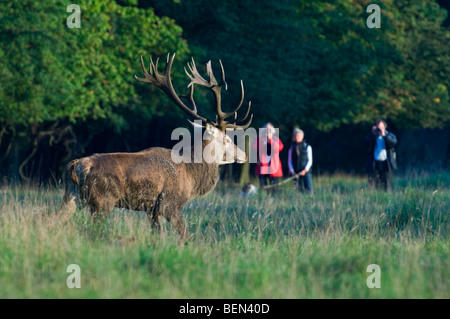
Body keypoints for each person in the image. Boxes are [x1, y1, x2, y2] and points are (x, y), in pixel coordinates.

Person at [364, 119, 397, 192]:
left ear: (384, 127)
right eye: (378, 128)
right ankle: (374, 199)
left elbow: (393, 143)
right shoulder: (372, 137)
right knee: (373, 184)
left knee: (387, 185)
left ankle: (387, 199)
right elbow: (366, 145)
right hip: (375, 163)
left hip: (387, 163)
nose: (379, 130)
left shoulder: (389, 135)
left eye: (381, 127)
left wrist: (384, 136)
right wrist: (372, 135)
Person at [253, 123, 284, 193]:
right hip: (262, 166)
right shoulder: (259, 140)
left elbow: (278, 148)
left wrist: (270, 140)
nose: (267, 131)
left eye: (269, 129)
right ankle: (264, 201)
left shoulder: (276, 140)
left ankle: (274, 201)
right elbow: (255, 147)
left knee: (274, 188)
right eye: (266, 129)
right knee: (263, 187)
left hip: (273, 168)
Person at [288, 128, 313, 194]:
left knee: (309, 191)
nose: (297, 137)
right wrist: (292, 171)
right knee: (298, 191)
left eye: (298, 136)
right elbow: (289, 160)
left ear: (302, 136)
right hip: (295, 172)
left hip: (306, 172)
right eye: (295, 136)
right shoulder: (291, 147)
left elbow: (310, 160)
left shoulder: (307, 146)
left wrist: (305, 170)